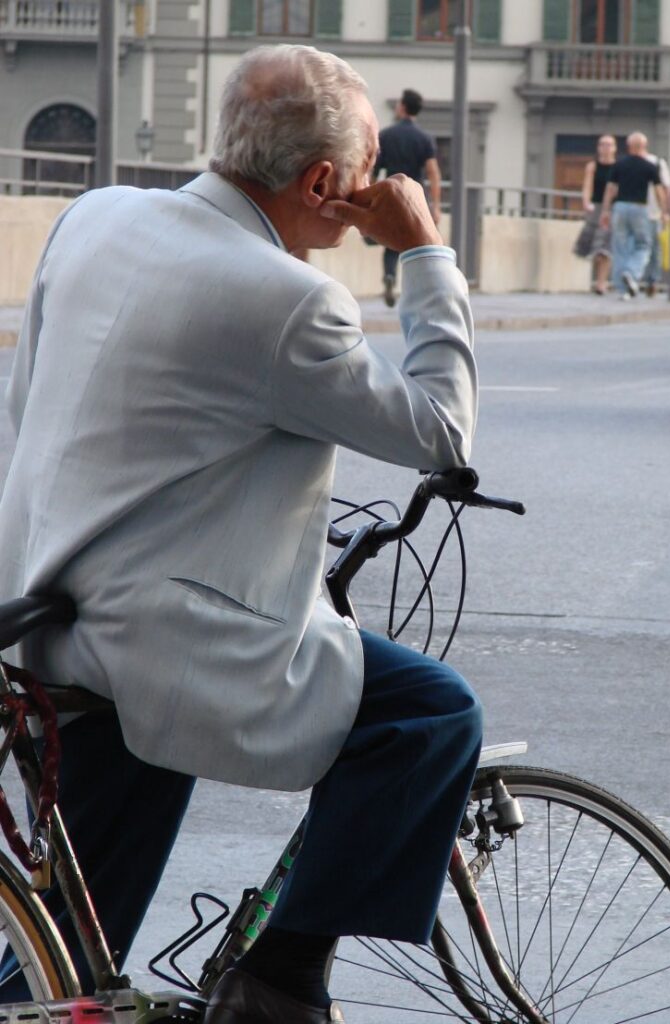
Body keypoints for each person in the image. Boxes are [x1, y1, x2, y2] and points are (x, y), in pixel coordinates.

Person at [0, 44, 481, 1024]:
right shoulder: (290, 301)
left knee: (68, 967)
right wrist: (423, 251)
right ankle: (278, 978)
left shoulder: (98, 213)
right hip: (152, 642)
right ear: (321, 182)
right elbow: (439, 431)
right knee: (430, 715)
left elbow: (29, 403)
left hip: (44, 608)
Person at [372, 88, 442, 307]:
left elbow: (373, 173)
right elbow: (432, 172)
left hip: (391, 195)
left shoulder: (385, 136)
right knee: (419, 243)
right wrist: (436, 205)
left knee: (391, 242)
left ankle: (390, 275)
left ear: (402, 107)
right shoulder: (424, 139)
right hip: (416, 199)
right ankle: (420, 291)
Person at [600, 131, 669, 299]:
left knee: (620, 247)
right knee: (643, 245)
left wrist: (605, 210)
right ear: (644, 146)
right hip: (639, 208)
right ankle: (632, 273)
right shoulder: (650, 166)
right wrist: (664, 212)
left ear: (629, 146)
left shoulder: (620, 164)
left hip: (620, 208)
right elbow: (660, 191)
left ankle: (623, 289)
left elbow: (610, 189)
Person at [573, 134, 617, 295]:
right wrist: (586, 202)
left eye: (609, 145)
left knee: (604, 248)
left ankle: (601, 283)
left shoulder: (617, 167)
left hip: (611, 209)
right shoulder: (593, 166)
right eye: (602, 144)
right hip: (596, 208)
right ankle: (596, 281)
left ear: (614, 148)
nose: (605, 148)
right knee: (593, 247)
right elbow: (587, 185)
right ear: (598, 147)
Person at [641, 141, 670, 297]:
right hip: (638, 212)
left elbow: (666, 188)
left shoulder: (658, 163)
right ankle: (638, 278)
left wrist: (666, 211)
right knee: (640, 247)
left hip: (654, 213)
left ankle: (652, 281)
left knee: (654, 249)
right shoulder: (629, 164)